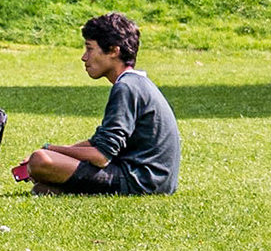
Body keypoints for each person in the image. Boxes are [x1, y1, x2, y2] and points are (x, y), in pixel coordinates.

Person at [18, 13, 181, 196]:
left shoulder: (126, 87)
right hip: (156, 182)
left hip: (140, 182)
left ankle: (61, 183)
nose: (84, 57)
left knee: (41, 160)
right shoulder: (136, 83)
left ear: (113, 51)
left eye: (90, 49)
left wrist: (50, 149)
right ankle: (60, 188)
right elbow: (98, 142)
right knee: (43, 183)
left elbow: (101, 156)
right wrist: (62, 155)